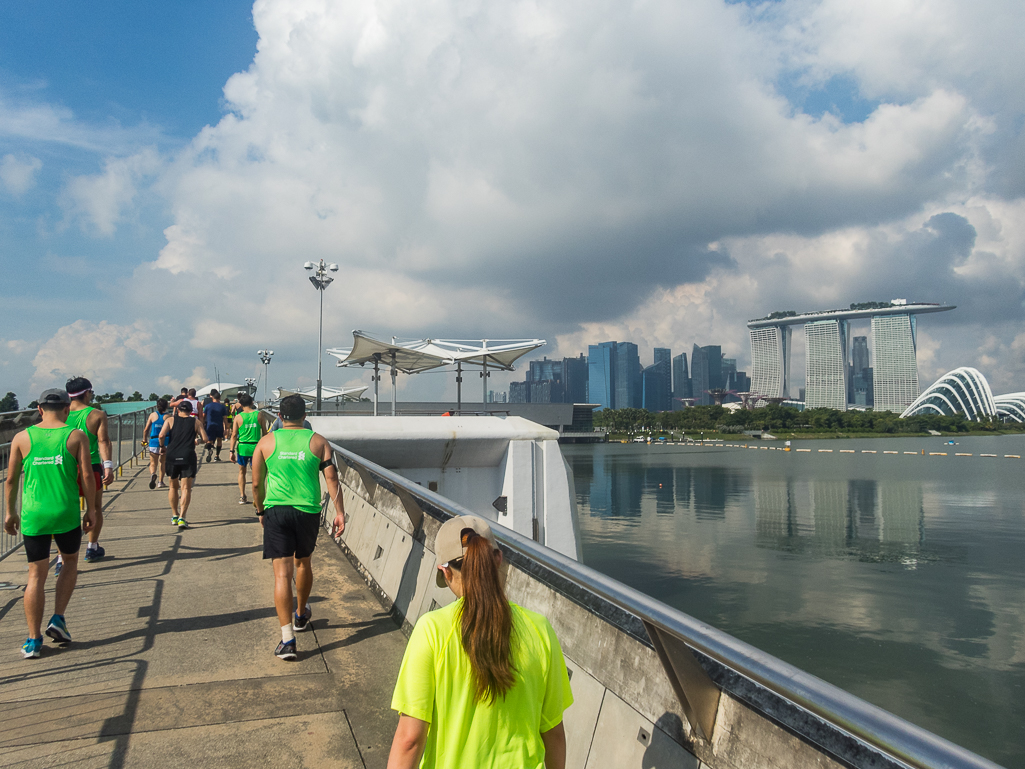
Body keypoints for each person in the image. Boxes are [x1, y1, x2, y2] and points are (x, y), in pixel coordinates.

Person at [387, 515, 573, 769]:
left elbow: (410, 740)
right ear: (497, 559)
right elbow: (553, 734)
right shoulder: (540, 629)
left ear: (444, 571)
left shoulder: (431, 631)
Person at [4, 389, 97, 658]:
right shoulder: (75, 435)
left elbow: (10, 480)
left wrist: (10, 513)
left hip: (34, 514)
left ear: (39, 408)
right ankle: (58, 618)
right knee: (68, 563)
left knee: (35, 575)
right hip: (65, 512)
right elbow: (87, 476)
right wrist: (90, 509)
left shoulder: (22, 437)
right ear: (67, 409)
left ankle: (33, 640)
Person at [252, 394, 345, 661]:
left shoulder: (266, 442)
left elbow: (257, 484)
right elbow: (331, 478)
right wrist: (340, 513)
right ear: (305, 416)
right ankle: (301, 614)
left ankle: (287, 640)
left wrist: (260, 511)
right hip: (308, 512)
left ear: (280, 417)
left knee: (282, 575)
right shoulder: (318, 441)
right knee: (303, 563)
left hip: (277, 511)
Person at [64, 377, 113, 562]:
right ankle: (92, 547)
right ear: (87, 392)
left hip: (66, 467)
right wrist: (108, 465)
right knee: (95, 507)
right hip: (91, 466)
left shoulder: (61, 413)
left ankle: (63, 557)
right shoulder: (97, 415)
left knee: (68, 509)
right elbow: (103, 441)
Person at [158, 400, 209, 531]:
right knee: (186, 488)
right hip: (188, 456)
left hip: (172, 455)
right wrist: (197, 441)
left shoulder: (170, 420)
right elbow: (205, 439)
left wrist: (162, 447)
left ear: (179, 410)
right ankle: (182, 517)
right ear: (191, 411)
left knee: (173, 487)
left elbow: (161, 435)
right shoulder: (196, 422)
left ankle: (174, 515)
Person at [230, 393, 269, 505]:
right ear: (252, 403)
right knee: (256, 474)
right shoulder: (259, 415)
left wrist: (231, 451)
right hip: (256, 447)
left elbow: (233, 435)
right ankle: (257, 498)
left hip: (242, 447)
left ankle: (242, 496)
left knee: (242, 472)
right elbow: (265, 433)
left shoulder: (238, 417)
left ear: (240, 405)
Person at [142, 398, 169, 489]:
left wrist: (144, 440)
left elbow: (146, 429)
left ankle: (153, 474)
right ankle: (160, 482)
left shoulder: (152, 415)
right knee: (163, 462)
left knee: (153, 462)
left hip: (153, 441)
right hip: (165, 441)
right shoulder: (168, 417)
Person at [202, 389, 228, 463]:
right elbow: (225, 418)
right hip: (219, 425)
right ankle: (217, 456)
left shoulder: (207, 406)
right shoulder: (222, 407)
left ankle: (210, 450)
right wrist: (226, 428)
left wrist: (203, 423)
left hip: (210, 425)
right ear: (219, 398)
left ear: (212, 398)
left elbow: (204, 416)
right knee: (219, 440)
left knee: (209, 440)